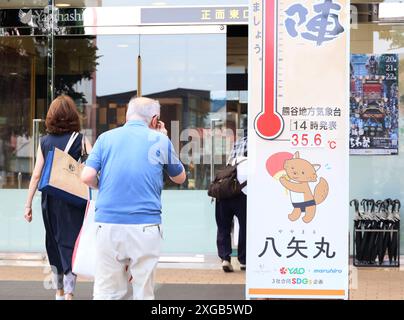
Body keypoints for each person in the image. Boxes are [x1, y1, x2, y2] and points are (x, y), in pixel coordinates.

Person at [81, 97, 186, 300]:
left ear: (128, 115)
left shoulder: (105, 138)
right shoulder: (160, 140)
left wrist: (103, 186)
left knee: (107, 292)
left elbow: (86, 176)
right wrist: (163, 138)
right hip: (145, 226)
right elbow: (179, 177)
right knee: (143, 292)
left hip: (108, 224)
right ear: (155, 120)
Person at [24, 95, 92, 300]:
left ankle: (59, 292)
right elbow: (93, 168)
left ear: (51, 116)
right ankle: (70, 292)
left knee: (53, 242)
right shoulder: (81, 139)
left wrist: (28, 205)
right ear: (73, 116)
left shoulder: (44, 141)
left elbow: (36, 174)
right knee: (70, 243)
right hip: (74, 199)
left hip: (51, 200)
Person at [215, 128, 247, 272]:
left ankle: (225, 258)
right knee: (246, 227)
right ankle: (244, 259)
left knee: (223, 227)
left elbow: (229, 164)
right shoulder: (259, 144)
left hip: (225, 190)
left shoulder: (238, 143)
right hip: (242, 192)